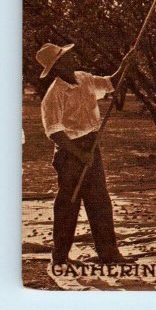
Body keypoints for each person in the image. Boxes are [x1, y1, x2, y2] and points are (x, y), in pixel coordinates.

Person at [36, 42, 135, 265]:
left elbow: (110, 84)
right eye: (63, 58)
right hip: (69, 152)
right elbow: (55, 132)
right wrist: (80, 156)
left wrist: (125, 64)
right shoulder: (53, 95)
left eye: (67, 56)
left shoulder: (84, 78)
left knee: (100, 201)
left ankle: (109, 254)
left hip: (91, 146)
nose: (70, 59)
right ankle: (60, 257)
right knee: (69, 204)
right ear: (56, 68)